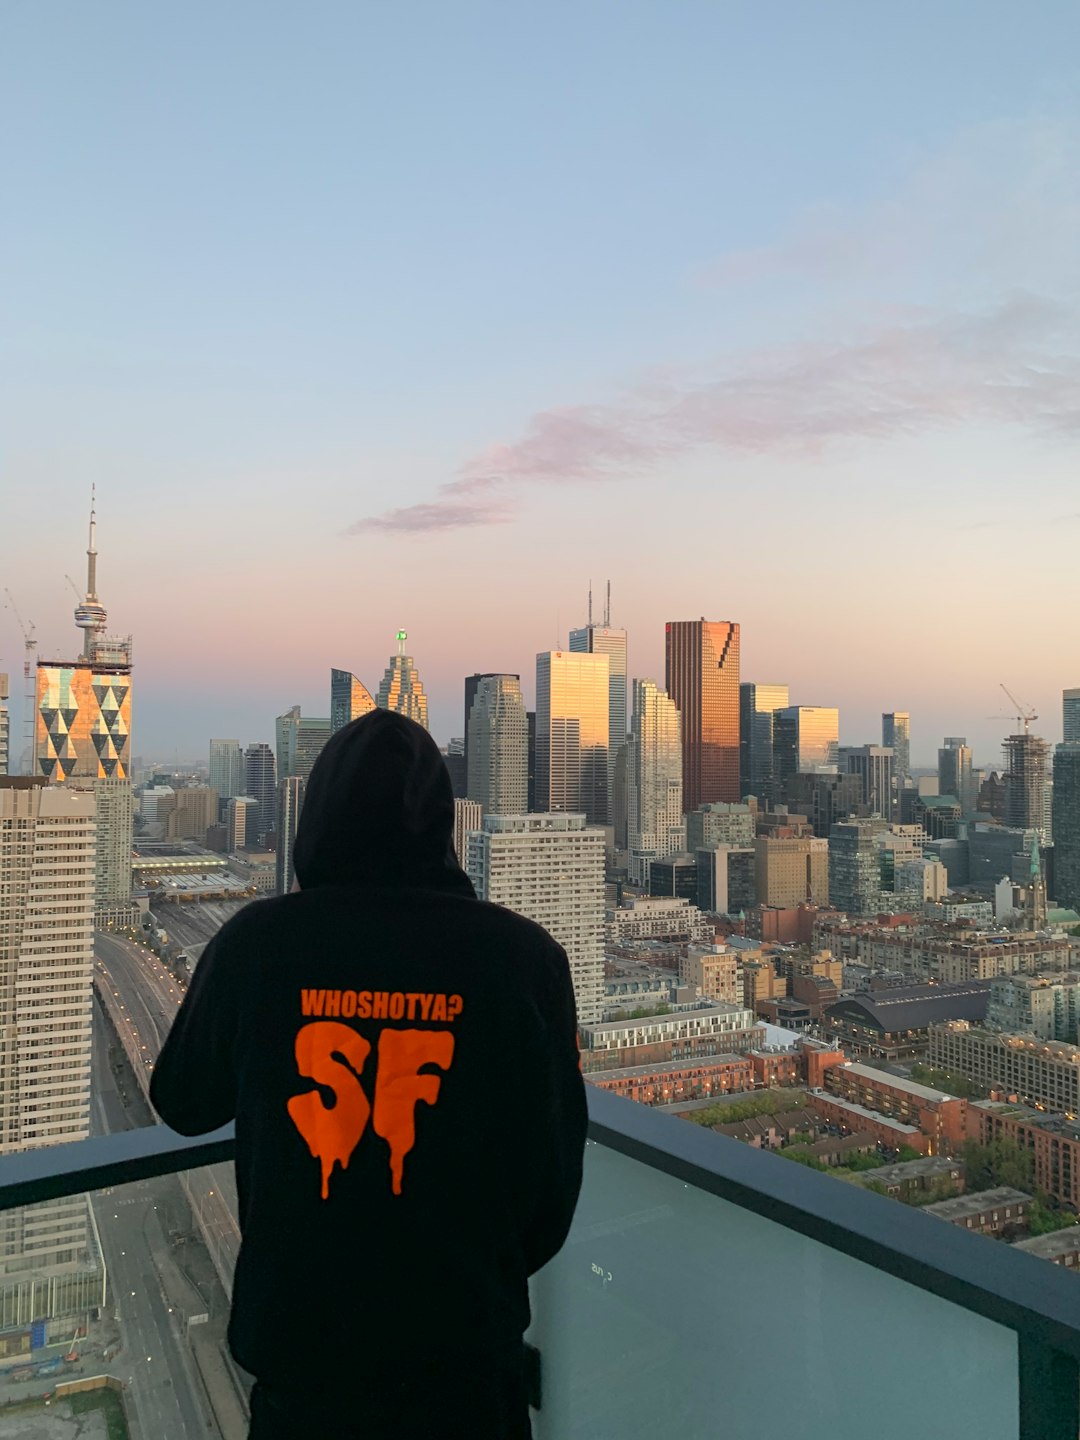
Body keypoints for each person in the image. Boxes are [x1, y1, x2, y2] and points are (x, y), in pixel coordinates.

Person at [150, 709, 587, 1439]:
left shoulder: (257, 946)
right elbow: (551, 1190)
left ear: (314, 817)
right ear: (443, 825)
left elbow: (183, 1103)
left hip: (305, 1372)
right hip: (467, 1369)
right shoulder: (521, 961)